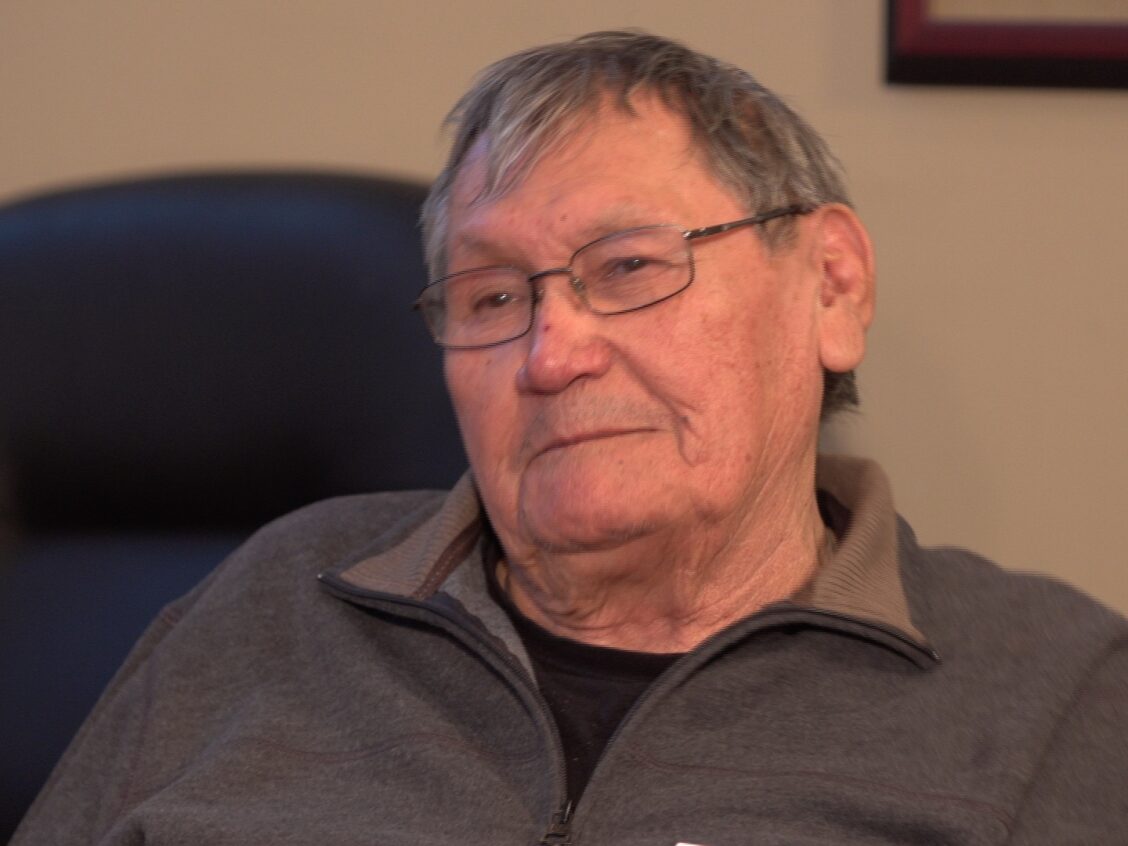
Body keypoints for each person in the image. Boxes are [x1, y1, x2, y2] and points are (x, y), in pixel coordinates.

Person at [13, 31, 1128, 846]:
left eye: (630, 268)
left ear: (830, 288)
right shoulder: (273, 600)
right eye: (492, 298)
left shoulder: (1057, 694)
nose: (550, 356)